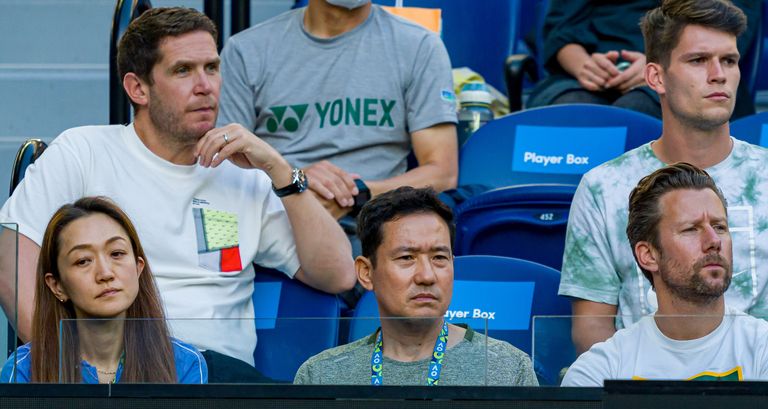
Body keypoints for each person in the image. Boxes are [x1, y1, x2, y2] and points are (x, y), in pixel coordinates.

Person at [0, 7, 355, 382]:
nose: (205, 86)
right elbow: (12, 263)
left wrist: (279, 170)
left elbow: (338, 274)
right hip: (117, 375)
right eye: (183, 70)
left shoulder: (246, 175)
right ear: (138, 88)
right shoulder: (85, 151)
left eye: (212, 68)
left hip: (219, 378)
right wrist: (73, 373)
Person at [559, 0, 768, 355]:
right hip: (643, 394)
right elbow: (591, 331)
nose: (718, 74)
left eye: (729, 61)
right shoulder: (602, 188)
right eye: (698, 60)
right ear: (656, 77)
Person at [217, 0, 458, 225]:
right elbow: (224, 169)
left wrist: (359, 194)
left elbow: (442, 172)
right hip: (277, 219)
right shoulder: (246, 51)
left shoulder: (419, 46)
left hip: (378, 222)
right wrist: (294, 183)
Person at [293, 187, 537, 386]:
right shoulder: (322, 376)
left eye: (439, 258)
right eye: (406, 258)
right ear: (366, 273)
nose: (427, 276)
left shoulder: (507, 368)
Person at [562, 163, 768, 386]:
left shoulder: (762, 348)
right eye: (691, 229)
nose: (714, 241)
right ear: (648, 255)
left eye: (720, 227)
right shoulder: (600, 371)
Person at [0, 197, 206, 383]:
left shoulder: (185, 363)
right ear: (57, 286)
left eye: (116, 253)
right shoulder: (24, 370)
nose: (105, 273)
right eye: (83, 261)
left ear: (138, 267)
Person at [527, 0, 759, 120]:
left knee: (635, 111)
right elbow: (560, 29)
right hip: (590, 70)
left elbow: (730, 29)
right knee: (573, 111)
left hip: (686, 66)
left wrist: (661, 64)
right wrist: (584, 66)